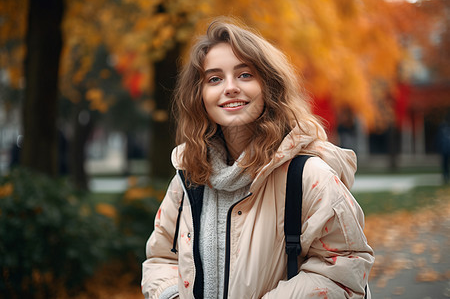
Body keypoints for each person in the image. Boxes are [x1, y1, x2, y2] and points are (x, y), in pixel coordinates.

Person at [142, 18, 374, 299]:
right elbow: (161, 259)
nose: (230, 87)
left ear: (269, 86)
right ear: (199, 95)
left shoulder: (309, 176)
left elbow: (344, 274)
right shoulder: (189, 178)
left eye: (245, 75)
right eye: (214, 79)